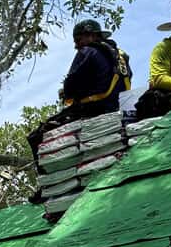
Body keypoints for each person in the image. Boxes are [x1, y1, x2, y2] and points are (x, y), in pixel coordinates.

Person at [27, 19, 131, 156]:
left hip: (93, 110)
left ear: (92, 36)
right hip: (118, 108)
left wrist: (66, 93)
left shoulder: (87, 51)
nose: (76, 45)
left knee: (38, 136)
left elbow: (71, 85)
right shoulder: (121, 57)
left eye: (78, 40)